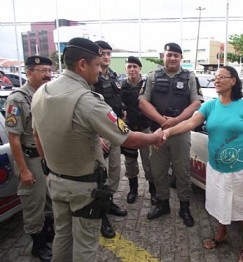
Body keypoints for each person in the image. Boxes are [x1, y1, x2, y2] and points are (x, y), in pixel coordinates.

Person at [31, 37, 164, 262]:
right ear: (82, 64)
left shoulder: (42, 92)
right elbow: (128, 139)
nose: (100, 71)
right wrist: (155, 137)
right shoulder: (87, 101)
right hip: (83, 188)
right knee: (85, 241)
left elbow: (36, 134)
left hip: (55, 180)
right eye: (97, 66)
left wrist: (47, 166)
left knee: (63, 234)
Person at [162, 65, 243, 261]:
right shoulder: (210, 106)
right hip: (215, 167)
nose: (217, 80)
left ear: (233, 80)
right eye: (215, 77)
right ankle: (221, 233)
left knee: (241, 205)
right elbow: (190, 123)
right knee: (220, 202)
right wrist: (168, 131)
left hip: (238, 167)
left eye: (222, 77)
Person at [139, 42, 203, 227]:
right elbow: (143, 102)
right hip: (157, 133)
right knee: (158, 170)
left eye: (176, 55)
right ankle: (162, 204)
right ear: (163, 56)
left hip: (181, 133)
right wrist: (162, 121)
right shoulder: (152, 76)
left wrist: (176, 121)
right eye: (169, 55)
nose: (173, 58)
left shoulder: (190, 77)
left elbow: (196, 103)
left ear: (181, 58)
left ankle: (184, 207)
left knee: (182, 170)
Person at [5, 56, 53, 261]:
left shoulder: (47, 94)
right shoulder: (17, 99)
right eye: (42, 70)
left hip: (47, 157)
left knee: (48, 200)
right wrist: (24, 170)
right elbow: (14, 138)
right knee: (33, 203)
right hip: (30, 158)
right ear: (28, 72)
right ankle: (38, 245)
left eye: (49, 70)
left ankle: (48, 232)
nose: (47, 74)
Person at [93, 40, 126, 239]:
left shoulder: (113, 75)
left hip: (114, 130)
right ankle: (100, 215)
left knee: (115, 170)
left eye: (108, 53)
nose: (106, 56)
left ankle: (109, 202)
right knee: (99, 175)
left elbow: (116, 101)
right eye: (102, 53)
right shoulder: (91, 77)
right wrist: (96, 136)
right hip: (99, 135)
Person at [121, 56, 157, 205]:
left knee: (149, 162)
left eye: (135, 66)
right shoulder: (122, 85)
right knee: (130, 162)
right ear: (126, 69)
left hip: (145, 128)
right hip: (127, 129)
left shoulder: (148, 85)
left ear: (140, 69)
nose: (132, 69)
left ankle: (153, 192)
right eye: (129, 67)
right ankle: (133, 190)